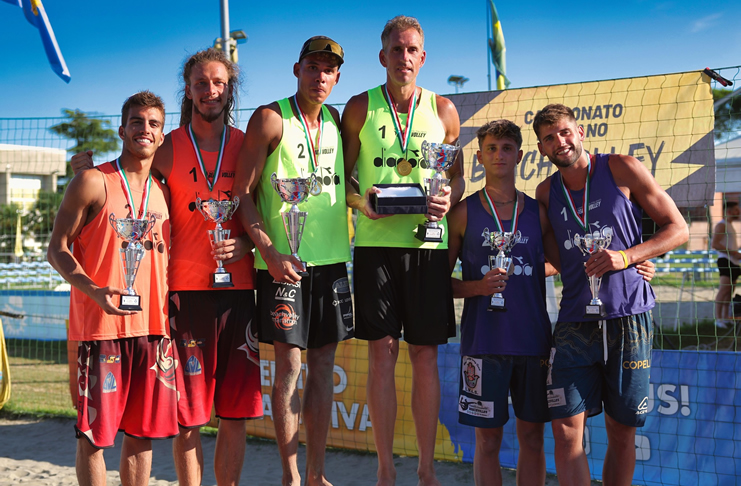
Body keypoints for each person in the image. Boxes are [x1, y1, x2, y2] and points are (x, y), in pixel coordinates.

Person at [70, 48, 262, 486]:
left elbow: (262, 211)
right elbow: (123, 180)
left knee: (235, 415)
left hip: (239, 294)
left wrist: (248, 245)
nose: (210, 91)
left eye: (218, 82)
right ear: (188, 90)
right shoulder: (169, 144)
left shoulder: (248, 144)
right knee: (186, 418)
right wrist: (82, 169)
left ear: (230, 87)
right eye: (200, 83)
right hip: (181, 299)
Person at [533, 104, 688, 486]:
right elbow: (559, 261)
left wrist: (628, 257)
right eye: (549, 138)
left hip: (628, 317)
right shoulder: (545, 192)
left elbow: (678, 229)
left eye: (565, 132)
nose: (560, 142)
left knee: (622, 433)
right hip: (574, 323)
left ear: (580, 131)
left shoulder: (621, 167)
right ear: (541, 149)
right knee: (566, 432)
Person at [341, 16, 462, 486]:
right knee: (382, 353)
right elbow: (345, 181)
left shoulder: (444, 109)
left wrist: (449, 197)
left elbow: (455, 176)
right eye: (396, 49)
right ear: (382, 56)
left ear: (423, 57)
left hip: (427, 246)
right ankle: (386, 467)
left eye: (412, 50)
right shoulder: (359, 108)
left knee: (425, 356)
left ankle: (427, 469)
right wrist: (361, 203)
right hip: (374, 246)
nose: (404, 58)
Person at [232, 36, 352, 486]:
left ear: (337, 77)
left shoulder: (337, 121)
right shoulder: (269, 118)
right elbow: (240, 195)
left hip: (333, 262)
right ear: (296, 69)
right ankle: (290, 475)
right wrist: (269, 251)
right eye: (313, 66)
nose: (320, 76)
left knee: (323, 368)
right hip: (282, 264)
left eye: (329, 69)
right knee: (290, 369)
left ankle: (317, 474)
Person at [48, 91, 177, 486]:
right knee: (94, 438)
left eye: (153, 124)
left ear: (161, 135)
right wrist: (93, 289)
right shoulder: (92, 181)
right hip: (101, 331)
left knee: (142, 437)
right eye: (137, 122)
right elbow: (56, 249)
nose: (145, 129)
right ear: (122, 130)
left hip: (154, 330)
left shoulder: (164, 190)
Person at [448, 120, 553, 486]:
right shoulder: (461, 213)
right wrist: (478, 287)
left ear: (520, 156)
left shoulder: (538, 212)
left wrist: (635, 264)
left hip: (533, 343)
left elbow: (562, 261)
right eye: (491, 148)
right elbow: (437, 284)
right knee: (488, 441)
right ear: (479, 157)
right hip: (483, 344)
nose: (499, 155)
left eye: (507, 148)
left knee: (533, 439)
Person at [711, 199, 741, 329]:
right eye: (736, 210)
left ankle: (725, 318)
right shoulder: (721, 224)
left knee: (730, 290)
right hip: (725, 260)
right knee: (723, 290)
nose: (738, 212)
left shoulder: (730, 225)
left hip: (733, 261)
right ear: (728, 211)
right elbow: (715, 244)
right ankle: (718, 319)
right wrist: (733, 253)